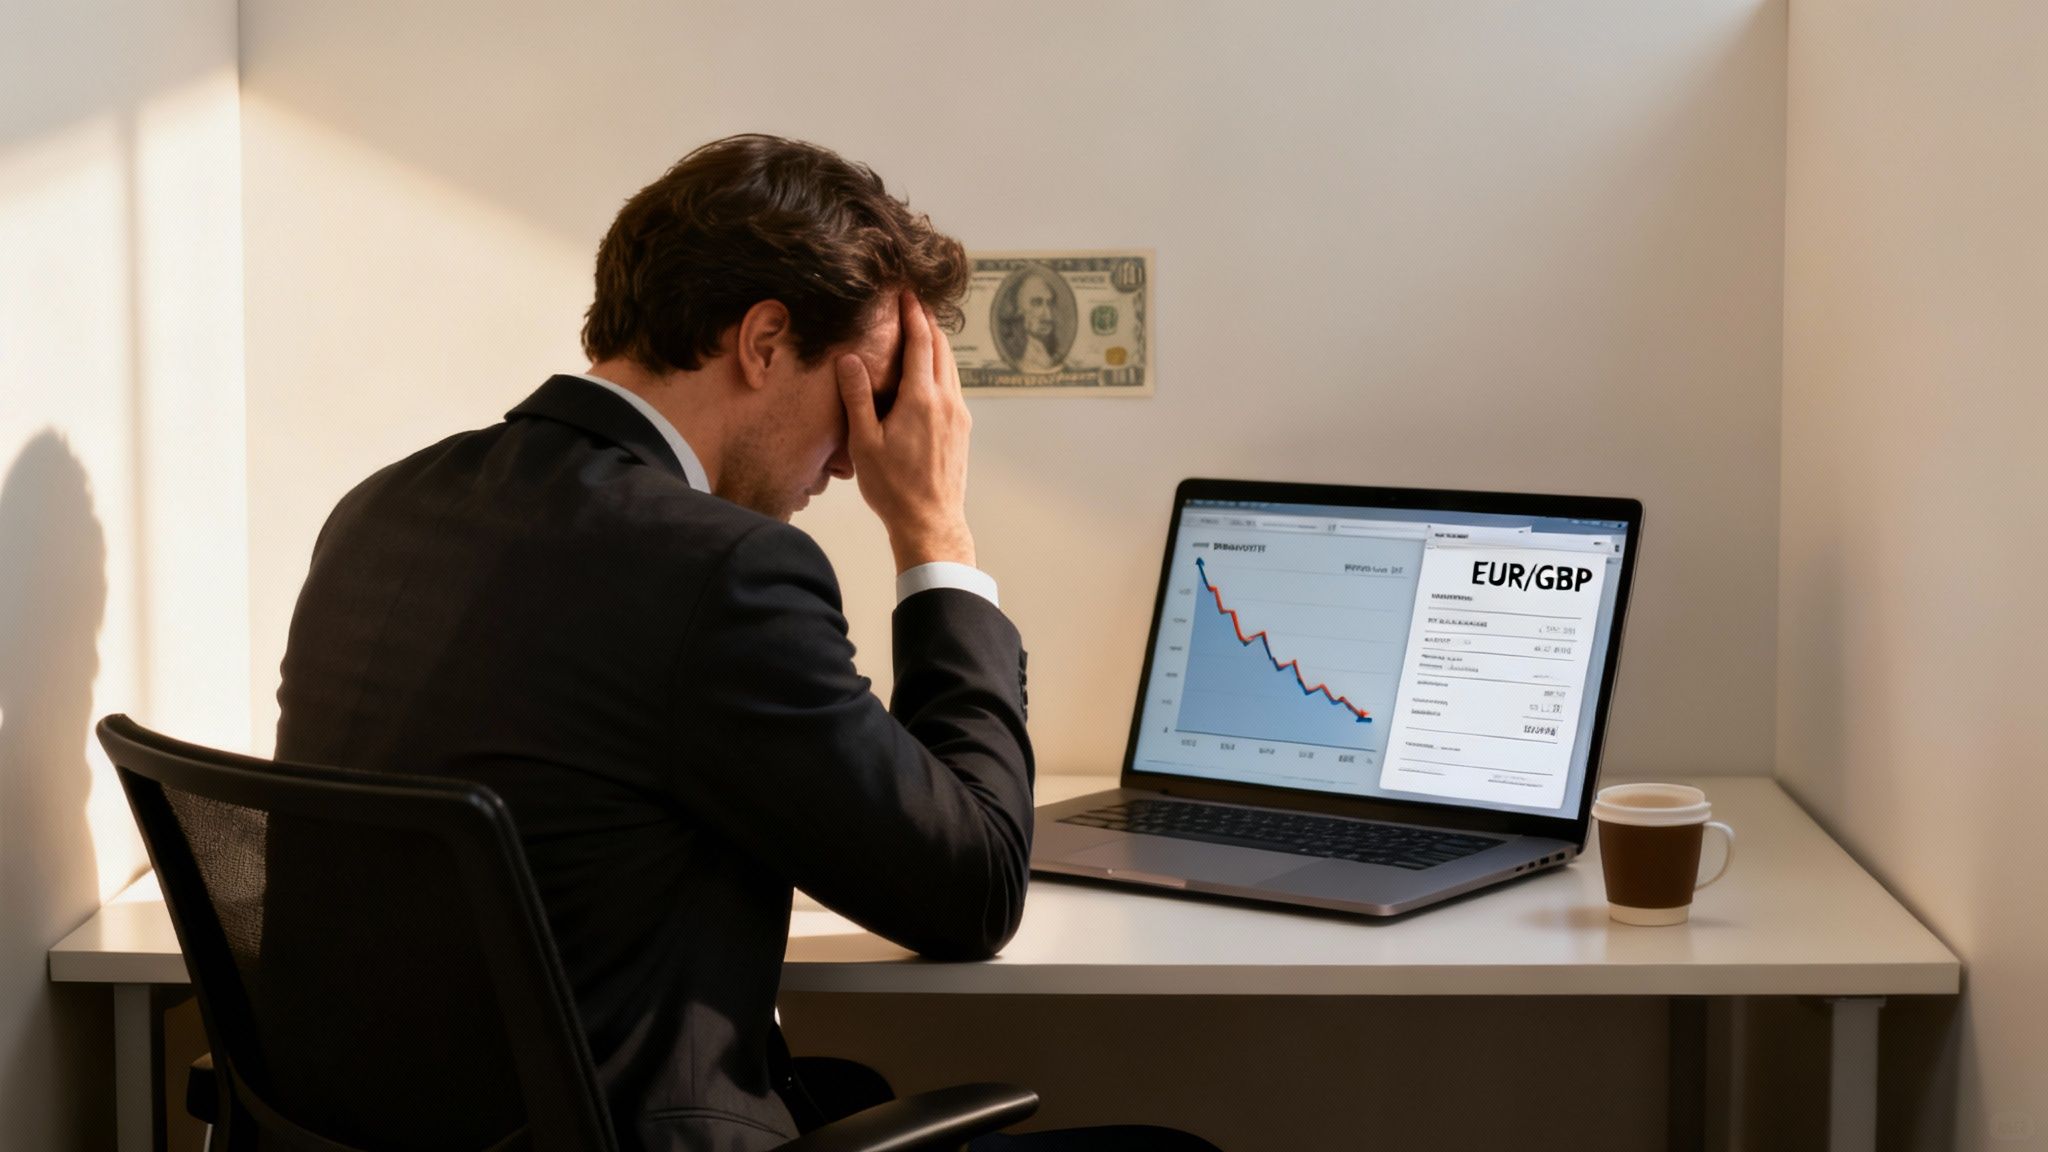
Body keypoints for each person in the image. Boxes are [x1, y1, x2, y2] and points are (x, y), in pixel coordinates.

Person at [272, 135, 1215, 1152]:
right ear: (764, 342)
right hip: (624, 1132)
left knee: (844, 1080)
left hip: (415, 1126)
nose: (860, 458)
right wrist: (934, 535)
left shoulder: (384, 507)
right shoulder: (715, 569)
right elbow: (972, 888)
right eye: (867, 392)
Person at [1000, 268, 1066, 372]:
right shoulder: (1013, 352)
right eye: (1037, 303)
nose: (1048, 315)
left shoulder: (1051, 352)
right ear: (1020, 308)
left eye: (1049, 303)